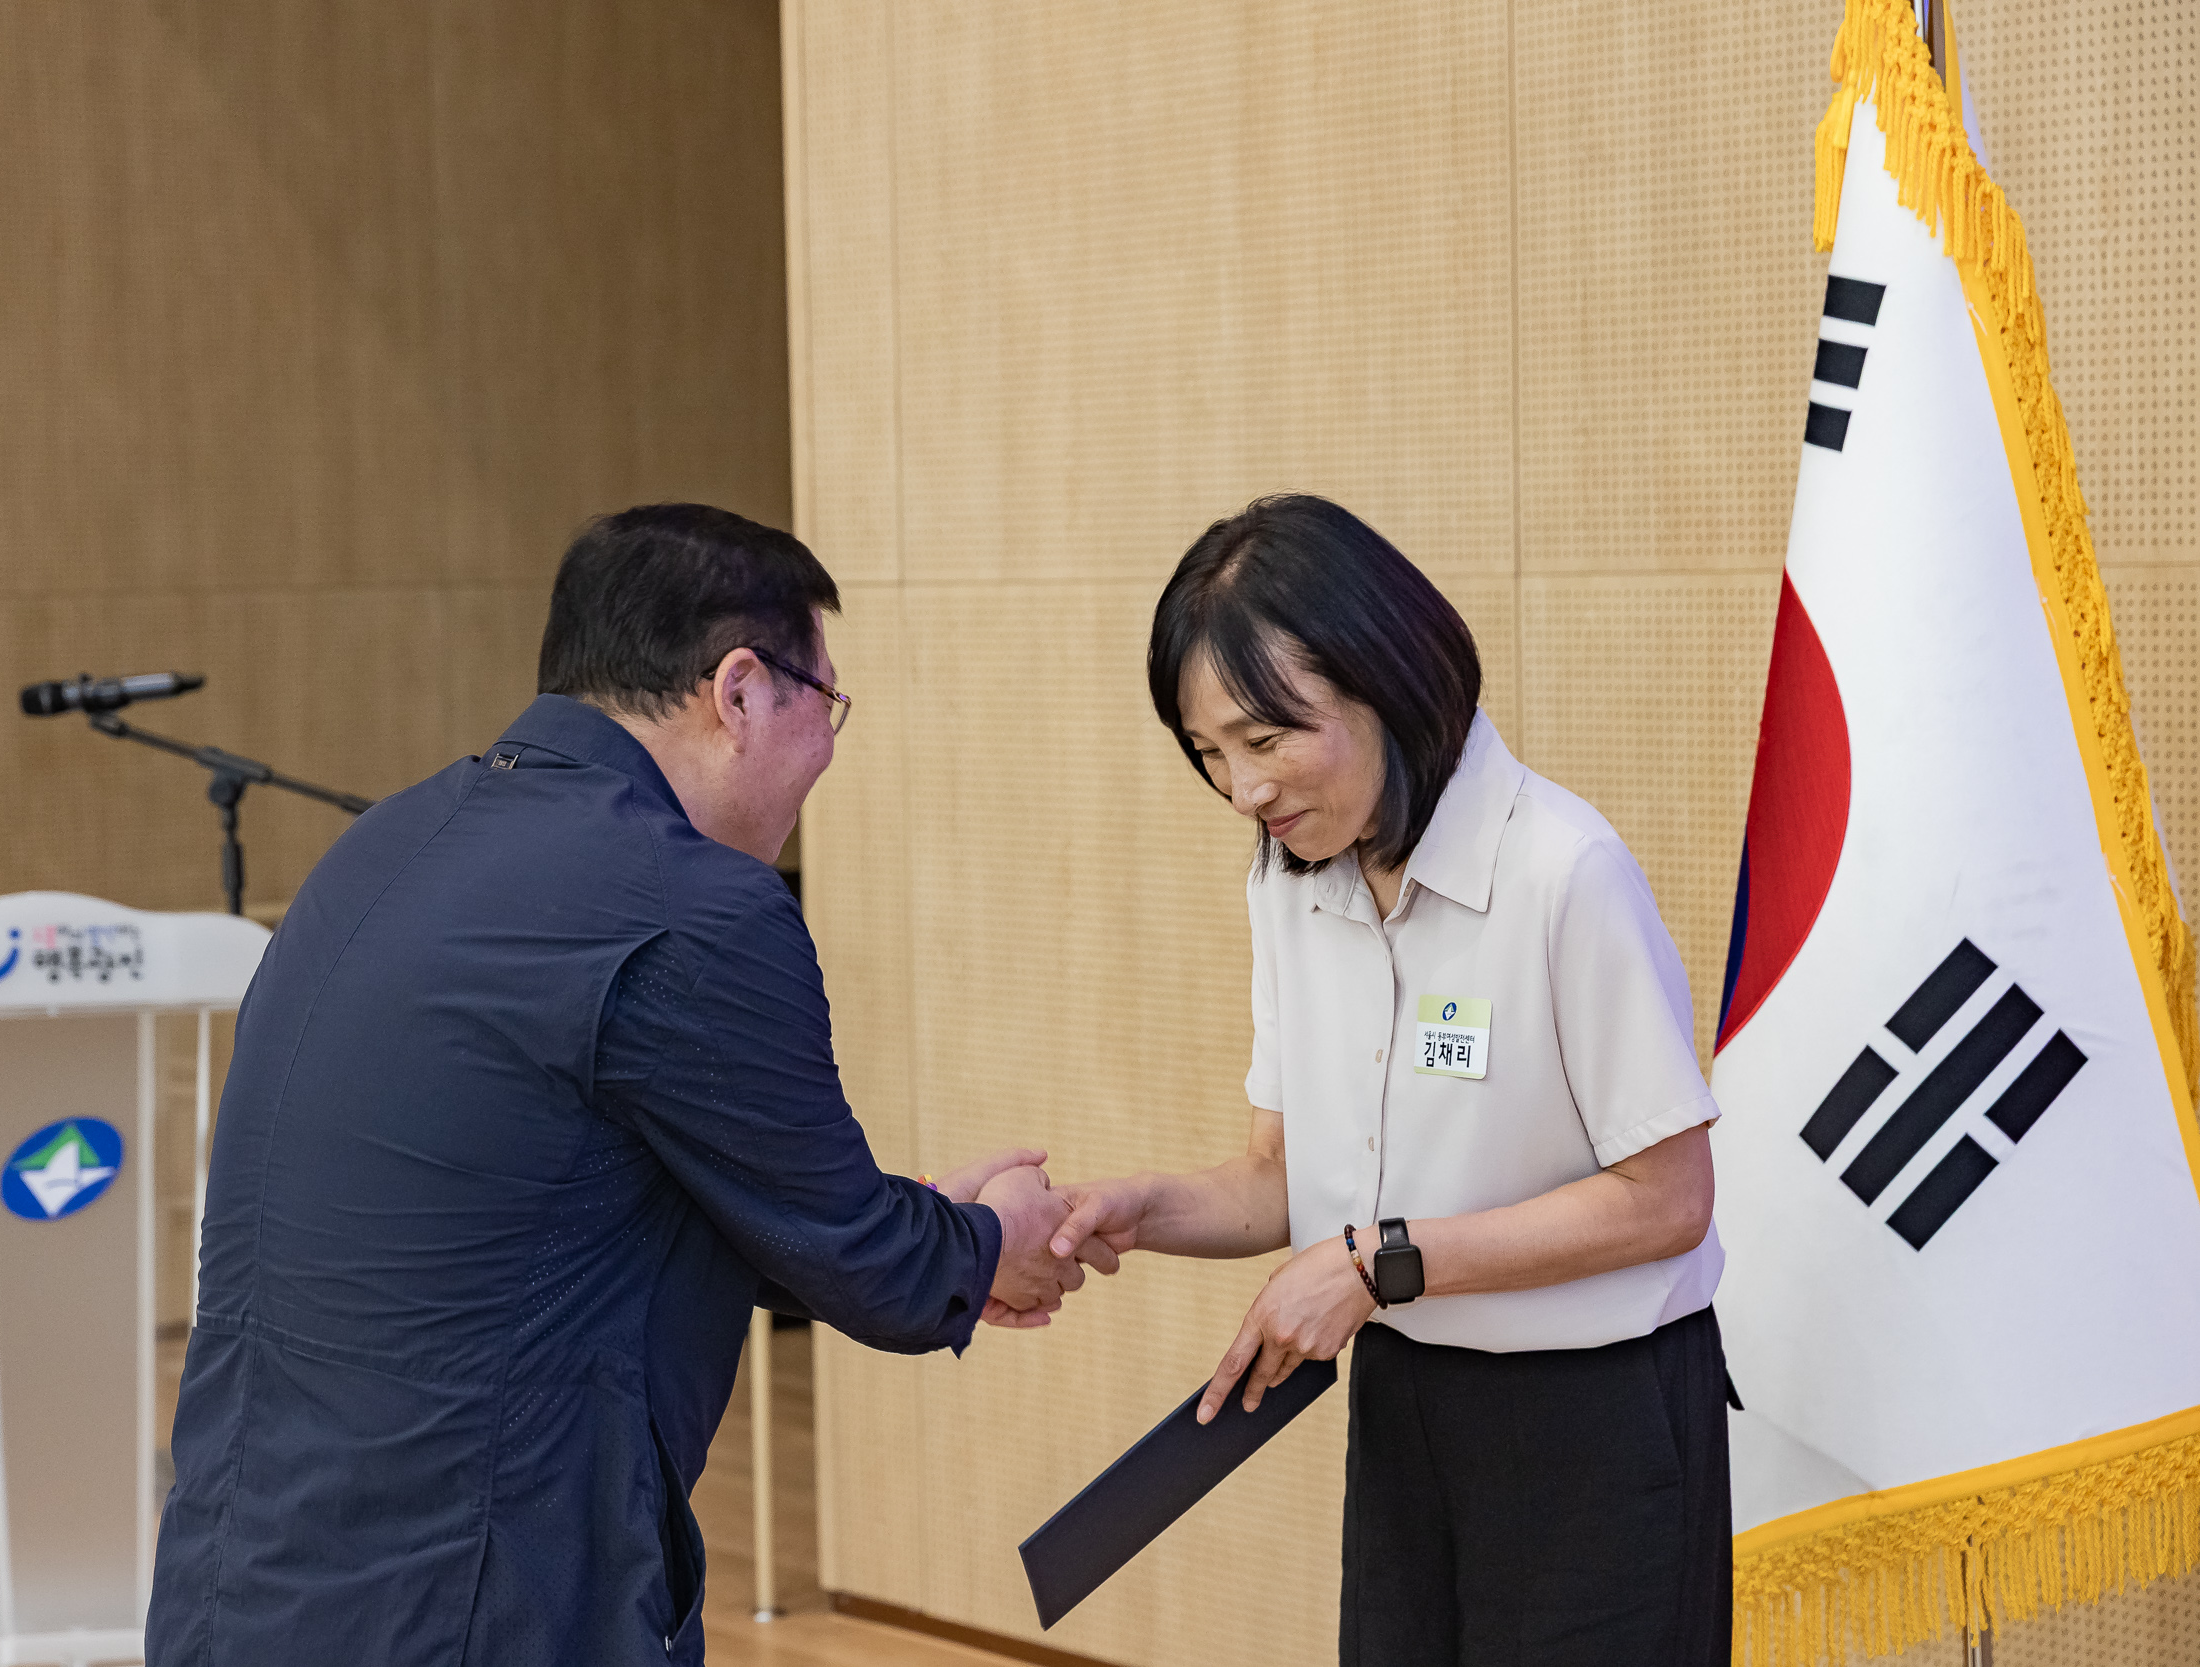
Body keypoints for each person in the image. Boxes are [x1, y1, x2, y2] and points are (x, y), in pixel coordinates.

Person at [148, 504, 1098, 1667]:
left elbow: (553, 1206)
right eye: (826, 703)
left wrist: (912, 1219)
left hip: (236, 1581)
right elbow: (866, 1261)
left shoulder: (381, 847)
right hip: (470, 1606)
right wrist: (989, 1234)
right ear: (739, 689)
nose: (830, 747)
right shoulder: (697, 907)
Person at [1048, 494, 1731, 1666]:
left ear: (1388, 680)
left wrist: (1379, 1263)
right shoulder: (1288, 883)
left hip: (1597, 1423)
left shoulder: (1563, 871)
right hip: (1411, 1395)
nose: (1243, 791)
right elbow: (1284, 1177)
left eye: (1266, 741)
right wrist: (1143, 1210)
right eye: (1210, 752)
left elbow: (1667, 1198)